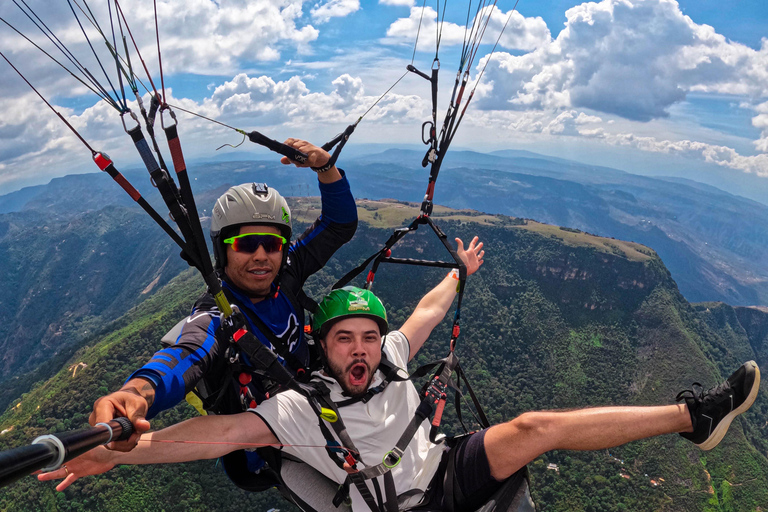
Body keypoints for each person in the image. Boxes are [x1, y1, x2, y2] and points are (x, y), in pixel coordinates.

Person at [43, 235, 761, 511]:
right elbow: (208, 435)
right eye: (343, 340)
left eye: (366, 337)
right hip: (393, 510)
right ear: (322, 349)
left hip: (448, 475)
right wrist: (117, 449)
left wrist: (460, 273)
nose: (359, 350)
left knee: (534, 428)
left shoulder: (391, 354)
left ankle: (693, 417)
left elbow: (424, 310)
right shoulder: (298, 410)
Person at [87, 138, 358, 499]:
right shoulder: (218, 314)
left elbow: (339, 224)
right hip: (268, 446)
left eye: (272, 244)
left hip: (312, 398)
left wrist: (325, 168)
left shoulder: (288, 270)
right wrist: (135, 394)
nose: (261, 256)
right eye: (245, 245)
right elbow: (183, 355)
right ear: (222, 250)